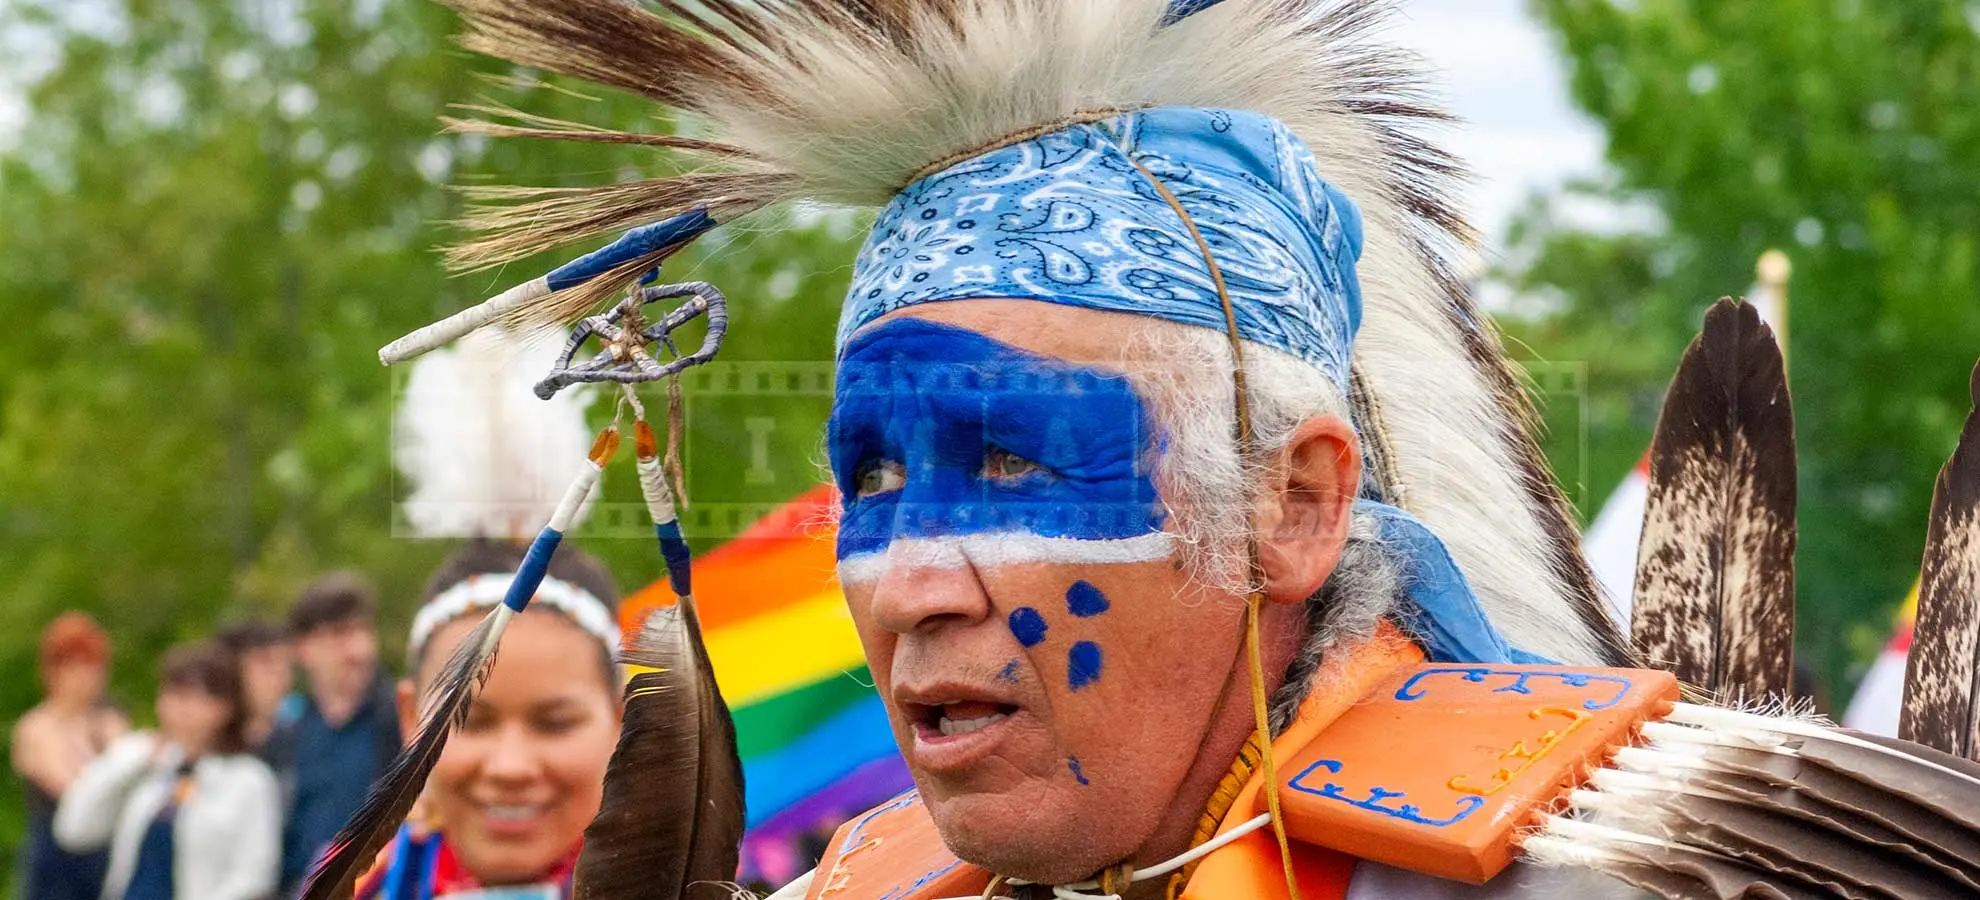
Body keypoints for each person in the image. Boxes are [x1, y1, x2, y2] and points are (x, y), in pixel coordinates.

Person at [351, 539, 625, 899]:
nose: (510, 767)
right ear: (411, 718)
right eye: (468, 721)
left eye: (555, 723)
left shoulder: (703, 881)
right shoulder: (351, 883)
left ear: (624, 721)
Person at [53, 640, 281, 900]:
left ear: (223, 707)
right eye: (167, 694)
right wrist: (131, 761)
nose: (172, 707)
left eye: (186, 697)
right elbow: (73, 829)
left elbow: (254, 876)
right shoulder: (146, 766)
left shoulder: (248, 780)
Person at [272, 572, 401, 893]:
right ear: (303, 648)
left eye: (363, 631)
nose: (359, 649)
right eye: (340, 634)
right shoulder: (285, 736)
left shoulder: (399, 720)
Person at [13, 612, 128, 900]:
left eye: (94, 668)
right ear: (54, 671)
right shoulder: (37, 726)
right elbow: (68, 787)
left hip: (105, 851)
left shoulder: (109, 722)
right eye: (77, 668)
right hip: (56, 857)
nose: (87, 679)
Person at [215, 619, 295, 756]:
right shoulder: (197, 749)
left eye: (286, 664)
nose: (282, 675)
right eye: (266, 663)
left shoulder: (304, 743)